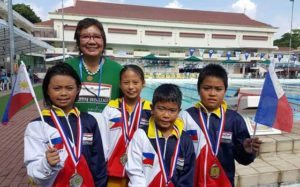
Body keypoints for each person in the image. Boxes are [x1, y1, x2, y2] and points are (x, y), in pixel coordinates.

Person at [24, 63, 107, 186]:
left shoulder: (89, 121)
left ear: (78, 89)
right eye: (57, 88)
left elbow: (98, 163)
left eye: (69, 88)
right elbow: (33, 172)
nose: (63, 93)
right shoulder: (37, 126)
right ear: (47, 90)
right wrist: (46, 164)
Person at [180, 64, 262, 187]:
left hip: (224, 182)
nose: (212, 93)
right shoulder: (186, 117)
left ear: (225, 91)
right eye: (207, 88)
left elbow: (243, 160)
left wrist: (247, 151)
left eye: (218, 89)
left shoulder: (234, 120)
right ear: (198, 89)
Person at [126, 84, 195, 187]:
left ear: (179, 112)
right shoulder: (141, 135)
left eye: (172, 110)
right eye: (161, 109)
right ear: (152, 109)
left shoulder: (185, 140)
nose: (166, 115)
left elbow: (187, 177)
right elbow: (134, 170)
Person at [101, 64, 152, 186]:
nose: (131, 87)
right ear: (120, 84)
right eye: (126, 82)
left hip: (141, 172)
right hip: (113, 171)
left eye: (135, 82)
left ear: (143, 83)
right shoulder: (110, 109)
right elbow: (103, 141)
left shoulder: (150, 110)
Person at [66, 17, 122, 113]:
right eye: (85, 37)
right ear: (78, 42)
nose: (92, 42)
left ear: (103, 41)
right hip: (73, 126)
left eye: (97, 37)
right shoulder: (66, 68)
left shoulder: (118, 70)